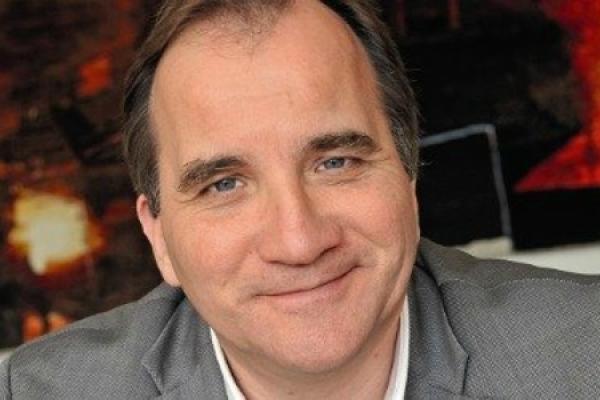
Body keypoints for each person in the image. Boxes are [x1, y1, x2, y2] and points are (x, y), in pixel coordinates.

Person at [2, 0, 600, 399]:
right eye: (223, 184)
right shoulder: (40, 393)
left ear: (409, 178)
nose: (299, 241)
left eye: (336, 162)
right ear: (158, 236)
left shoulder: (584, 355)